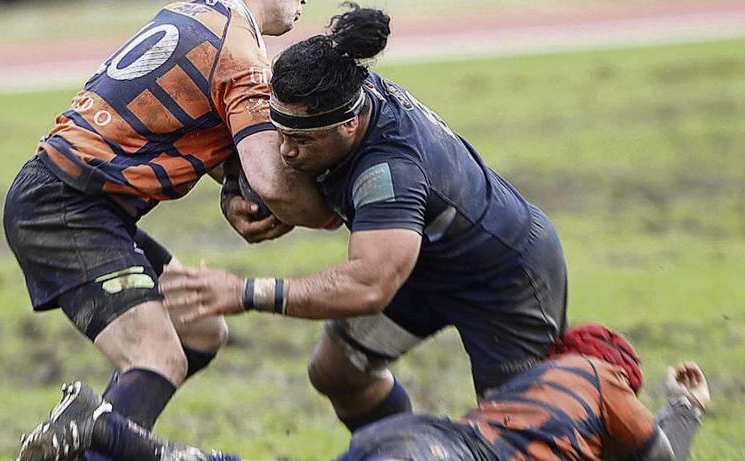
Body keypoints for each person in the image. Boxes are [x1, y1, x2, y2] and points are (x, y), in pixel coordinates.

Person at [161, 3, 569, 434]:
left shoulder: (390, 171)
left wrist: (246, 292)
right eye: (282, 131)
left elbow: (369, 285)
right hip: (418, 262)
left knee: (525, 439)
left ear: (350, 126)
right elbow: (258, 147)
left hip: (504, 277)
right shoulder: (335, 82)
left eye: (302, 140)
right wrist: (236, 190)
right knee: (339, 372)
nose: (286, 152)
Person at [2, 1, 333, 461]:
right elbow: (274, 185)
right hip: (68, 205)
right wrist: (344, 216)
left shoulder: (200, 13)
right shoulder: (241, 55)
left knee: (199, 326)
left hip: (89, 202)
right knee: (157, 355)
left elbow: (201, 137)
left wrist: (232, 190)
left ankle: (79, 456)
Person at [10, 324, 711, 461]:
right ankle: (148, 447)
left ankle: (112, 432)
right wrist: (682, 406)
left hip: (417, 439)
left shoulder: (541, 421)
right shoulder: (592, 376)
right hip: (449, 460)